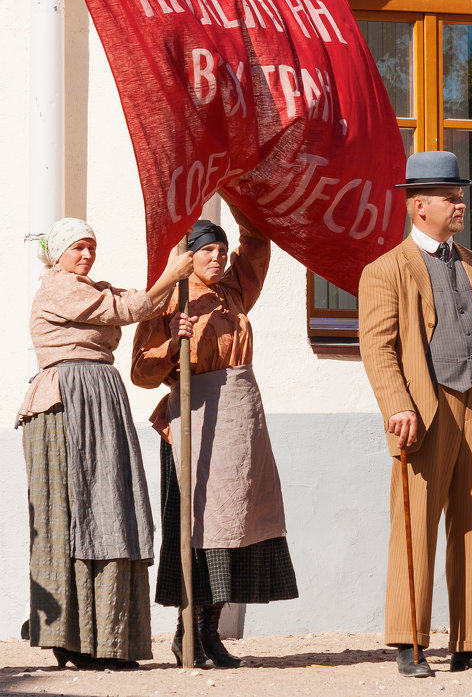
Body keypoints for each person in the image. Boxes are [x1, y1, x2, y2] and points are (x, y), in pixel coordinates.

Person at [358, 151, 472, 678]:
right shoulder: (386, 270)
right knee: (415, 524)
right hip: (423, 411)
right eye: (450, 197)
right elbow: (378, 348)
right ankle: (409, 641)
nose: (459, 203)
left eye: (460, 195)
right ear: (418, 207)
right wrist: (398, 405)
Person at [18, 218, 193, 669]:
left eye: (92, 247)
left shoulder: (95, 289)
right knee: (70, 514)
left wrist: (174, 324)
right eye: (78, 247)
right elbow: (126, 309)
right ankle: (71, 638)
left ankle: (111, 638)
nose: (87, 255)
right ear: (58, 254)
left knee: (112, 509)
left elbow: (135, 306)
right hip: (66, 405)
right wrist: (170, 277)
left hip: (101, 401)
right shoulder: (59, 287)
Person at [132, 211, 299, 669]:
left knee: (237, 528)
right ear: (188, 255)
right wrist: (171, 343)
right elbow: (141, 373)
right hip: (193, 422)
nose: (218, 256)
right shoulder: (169, 299)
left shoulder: (235, 289)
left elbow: (258, 239)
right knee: (199, 531)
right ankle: (187, 631)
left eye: (221, 250)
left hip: (240, 424)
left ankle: (211, 628)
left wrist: (237, 185)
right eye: (207, 249)